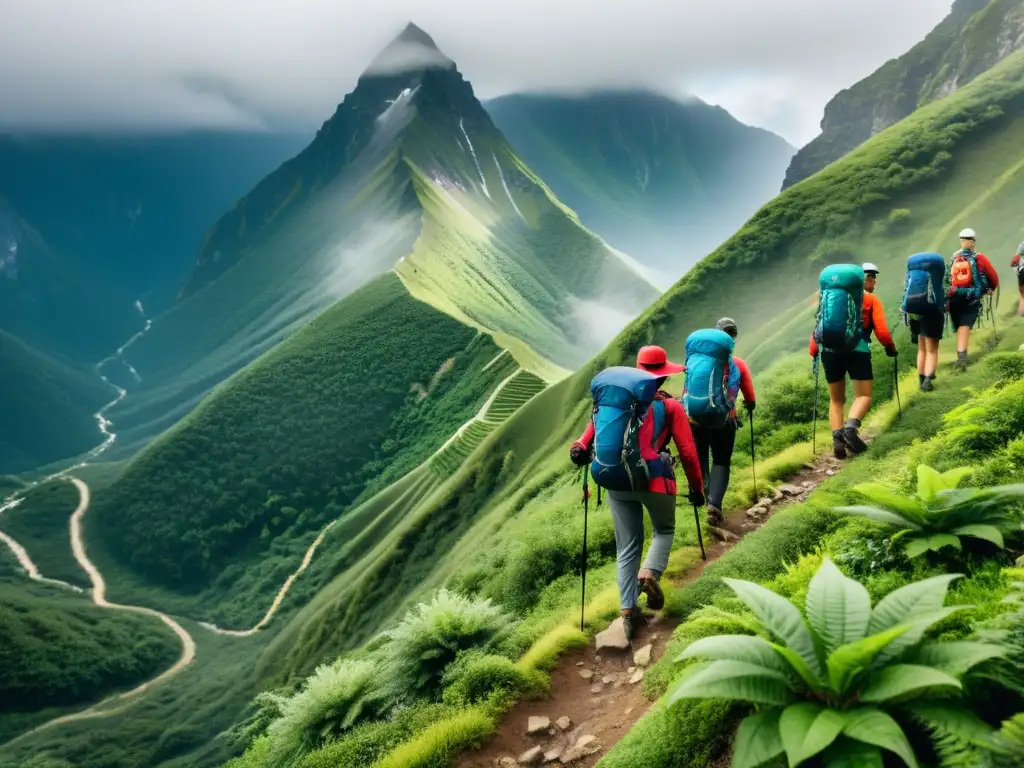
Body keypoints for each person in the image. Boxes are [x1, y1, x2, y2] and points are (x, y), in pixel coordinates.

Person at [569, 345, 704, 640]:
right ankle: (650, 574)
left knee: (627, 546)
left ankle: (628, 612)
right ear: (664, 376)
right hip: (654, 480)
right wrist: (697, 489)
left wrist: (579, 448)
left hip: (615, 480)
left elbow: (586, 439)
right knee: (664, 531)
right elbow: (689, 453)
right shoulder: (670, 406)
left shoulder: (615, 403)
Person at [809, 263, 897, 459]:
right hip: (858, 350)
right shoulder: (871, 300)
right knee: (863, 396)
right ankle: (851, 427)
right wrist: (891, 349)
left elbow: (818, 330)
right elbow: (882, 332)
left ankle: (838, 443)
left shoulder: (827, 300)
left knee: (836, 400)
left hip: (830, 352)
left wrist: (815, 352)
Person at [691, 318, 756, 526]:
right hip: (724, 419)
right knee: (720, 460)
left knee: (700, 456)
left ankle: (705, 497)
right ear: (734, 338)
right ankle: (714, 504)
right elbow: (750, 397)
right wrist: (750, 406)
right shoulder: (738, 364)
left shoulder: (696, 362)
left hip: (695, 419)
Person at [947, 228, 999, 371]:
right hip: (971, 298)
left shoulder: (954, 259)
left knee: (959, 327)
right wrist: (989, 289)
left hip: (955, 298)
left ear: (961, 241)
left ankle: (960, 355)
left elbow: (948, 280)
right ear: (974, 242)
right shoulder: (979, 258)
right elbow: (993, 277)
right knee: (965, 326)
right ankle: (962, 358)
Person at [901, 252, 947, 392]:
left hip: (914, 311)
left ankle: (921, 380)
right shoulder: (936, 272)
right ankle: (928, 380)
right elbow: (941, 291)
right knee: (932, 350)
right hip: (933, 311)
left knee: (921, 349)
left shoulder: (912, 273)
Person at [1012, 240, 1024, 319]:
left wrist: (1014, 265)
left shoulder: (1022, 244)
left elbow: (1015, 260)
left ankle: (1021, 314)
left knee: (1023, 295)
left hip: (1022, 271)